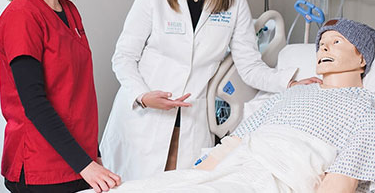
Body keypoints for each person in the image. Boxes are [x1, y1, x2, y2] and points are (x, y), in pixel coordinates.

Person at [100, 0, 319, 181]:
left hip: (191, 122)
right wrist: (143, 96)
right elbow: (123, 57)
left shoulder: (234, 3)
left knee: (181, 186)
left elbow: (249, 67)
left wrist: (288, 83)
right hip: (142, 119)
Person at [100, 18, 375, 193]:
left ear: (361, 57)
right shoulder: (289, 94)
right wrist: (188, 178)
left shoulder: (365, 108)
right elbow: (233, 144)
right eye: (321, 44)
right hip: (237, 167)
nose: (323, 49)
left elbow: (342, 179)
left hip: (280, 176)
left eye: (335, 42)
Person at [0, 0, 121, 193]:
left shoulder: (70, 11)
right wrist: (85, 164)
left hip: (76, 161)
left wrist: (93, 154)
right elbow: (34, 104)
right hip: (42, 167)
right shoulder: (22, 16)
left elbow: (77, 95)